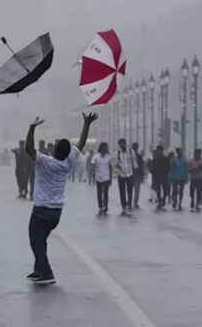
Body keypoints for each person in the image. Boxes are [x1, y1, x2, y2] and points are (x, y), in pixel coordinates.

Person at [25, 112, 97, 285]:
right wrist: (87, 124)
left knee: (36, 241)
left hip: (41, 210)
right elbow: (80, 144)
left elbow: (28, 149)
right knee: (41, 240)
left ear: (55, 150)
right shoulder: (68, 162)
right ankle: (38, 270)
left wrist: (31, 128)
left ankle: (47, 273)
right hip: (56, 213)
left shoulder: (46, 162)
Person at [114, 138, 136, 215]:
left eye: (123, 143)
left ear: (125, 144)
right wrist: (118, 171)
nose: (122, 145)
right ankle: (123, 206)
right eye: (120, 144)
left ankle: (129, 203)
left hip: (130, 174)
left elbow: (134, 163)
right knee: (122, 191)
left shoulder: (131, 151)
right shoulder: (117, 153)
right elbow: (116, 164)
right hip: (121, 175)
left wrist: (135, 174)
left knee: (130, 190)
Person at [92, 142, 113, 215]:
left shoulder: (109, 157)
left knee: (106, 193)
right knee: (99, 193)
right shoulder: (96, 157)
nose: (105, 149)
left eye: (106, 148)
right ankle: (100, 206)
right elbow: (93, 166)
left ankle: (105, 206)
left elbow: (111, 168)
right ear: (101, 148)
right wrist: (93, 176)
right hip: (98, 177)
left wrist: (111, 178)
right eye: (104, 147)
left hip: (106, 177)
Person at [148, 146, 171, 210]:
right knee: (158, 190)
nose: (159, 151)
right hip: (157, 176)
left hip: (164, 176)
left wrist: (168, 174)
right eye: (158, 150)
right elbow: (151, 168)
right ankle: (159, 201)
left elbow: (169, 167)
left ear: (162, 150)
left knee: (165, 189)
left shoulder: (166, 159)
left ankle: (163, 199)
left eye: (160, 150)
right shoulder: (155, 159)